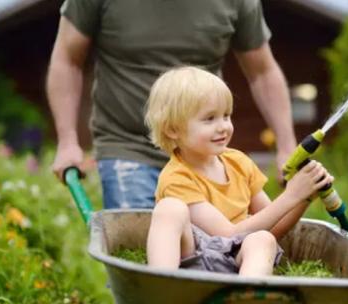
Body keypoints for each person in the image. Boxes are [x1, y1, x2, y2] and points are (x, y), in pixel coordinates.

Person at [47, 0, 297, 210]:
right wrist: (68, 141)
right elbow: (67, 60)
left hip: (201, 153)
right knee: (141, 250)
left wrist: (287, 147)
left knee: (212, 250)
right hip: (128, 146)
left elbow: (262, 72)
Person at [145, 67, 333, 276]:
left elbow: (274, 225)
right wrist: (291, 195)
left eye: (226, 116)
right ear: (173, 129)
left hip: (237, 262)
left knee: (263, 239)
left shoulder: (238, 163)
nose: (223, 126)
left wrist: (303, 197)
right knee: (169, 209)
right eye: (209, 118)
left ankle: (246, 294)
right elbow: (227, 234)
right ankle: (161, 282)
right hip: (193, 262)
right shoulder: (177, 177)